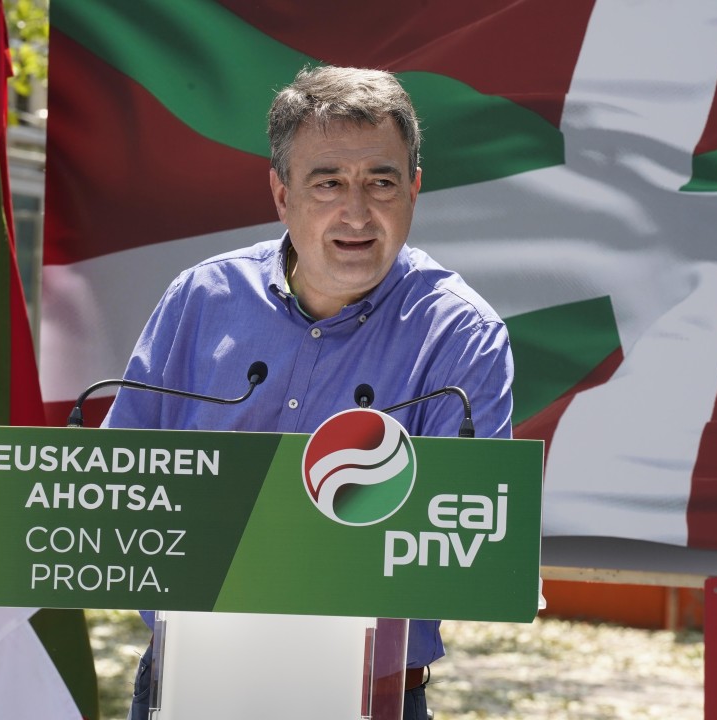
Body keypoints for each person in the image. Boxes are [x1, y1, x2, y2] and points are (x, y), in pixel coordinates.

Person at [107, 64, 514, 720]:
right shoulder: (200, 300)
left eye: (381, 181)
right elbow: (118, 488)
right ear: (282, 194)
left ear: (414, 190)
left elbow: (466, 542)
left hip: (368, 690)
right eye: (328, 183)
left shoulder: (462, 333)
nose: (357, 211)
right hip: (191, 675)